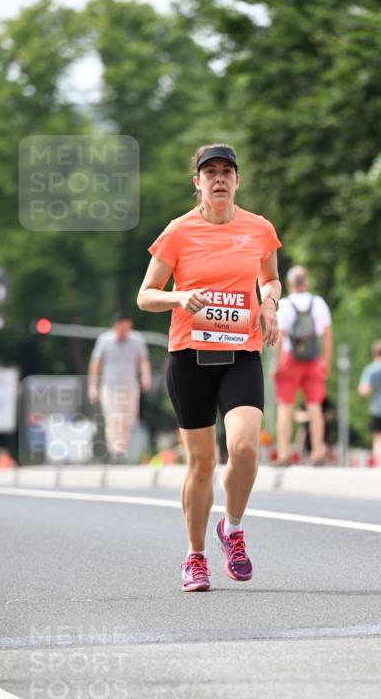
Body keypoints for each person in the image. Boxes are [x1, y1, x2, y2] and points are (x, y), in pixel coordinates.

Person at [136, 144, 281, 591]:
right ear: (196, 182)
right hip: (189, 357)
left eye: (227, 172)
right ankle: (194, 557)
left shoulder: (258, 228)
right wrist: (179, 297)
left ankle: (232, 529)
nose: (219, 179)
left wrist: (271, 303)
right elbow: (145, 295)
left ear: (238, 181)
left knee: (244, 447)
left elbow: (270, 277)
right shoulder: (178, 232)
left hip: (240, 353)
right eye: (210, 172)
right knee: (202, 463)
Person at [273, 266, 332, 465]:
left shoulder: (285, 305)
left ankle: (283, 453)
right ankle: (317, 451)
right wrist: (326, 362)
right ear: (306, 282)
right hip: (313, 359)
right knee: (315, 407)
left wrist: (276, 363)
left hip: (290, 359)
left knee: (285, 407)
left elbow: (280, 337)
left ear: (289, 284)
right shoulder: (318, 303)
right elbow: (327, 336)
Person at [88, 313, 151, 463]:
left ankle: (122, 448)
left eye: (127, 328)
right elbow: (95, 364)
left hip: (130, 386)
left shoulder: (137, 340)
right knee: (113, 418)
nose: (125, 332)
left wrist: (145, 377)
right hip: (110, 386)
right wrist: (92, 386)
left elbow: (143, 361)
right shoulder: (104, 340)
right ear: (115, 326)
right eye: (122, 329)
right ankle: (116, 451)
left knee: (128, 420)